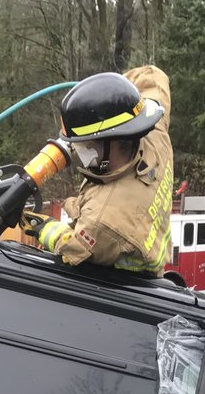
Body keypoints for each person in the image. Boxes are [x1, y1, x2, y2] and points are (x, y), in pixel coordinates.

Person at [33, 66, 174, 277]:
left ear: (112, 141)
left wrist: (42, 228)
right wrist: (106, 93)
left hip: (123, 289)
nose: (79, 151)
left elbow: (73, 247)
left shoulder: (102, 222)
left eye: (85, 144)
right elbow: (152, 75)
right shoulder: (155, 134)